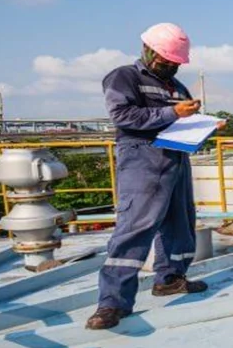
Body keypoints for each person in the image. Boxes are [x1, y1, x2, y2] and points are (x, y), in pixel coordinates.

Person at [86, 23, 209, 330]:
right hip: (142, 159)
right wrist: (174, 114)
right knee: (135, 228)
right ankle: (112, 303)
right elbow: (123, 116)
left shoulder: (178, 88)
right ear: (149, 51)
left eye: (176, 62)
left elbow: (181, 123)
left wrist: (203, 126)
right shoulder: (125, 77)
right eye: (167, 60)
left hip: (176, 158)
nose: (172, 66)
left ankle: (170, 278)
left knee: (180, 223)